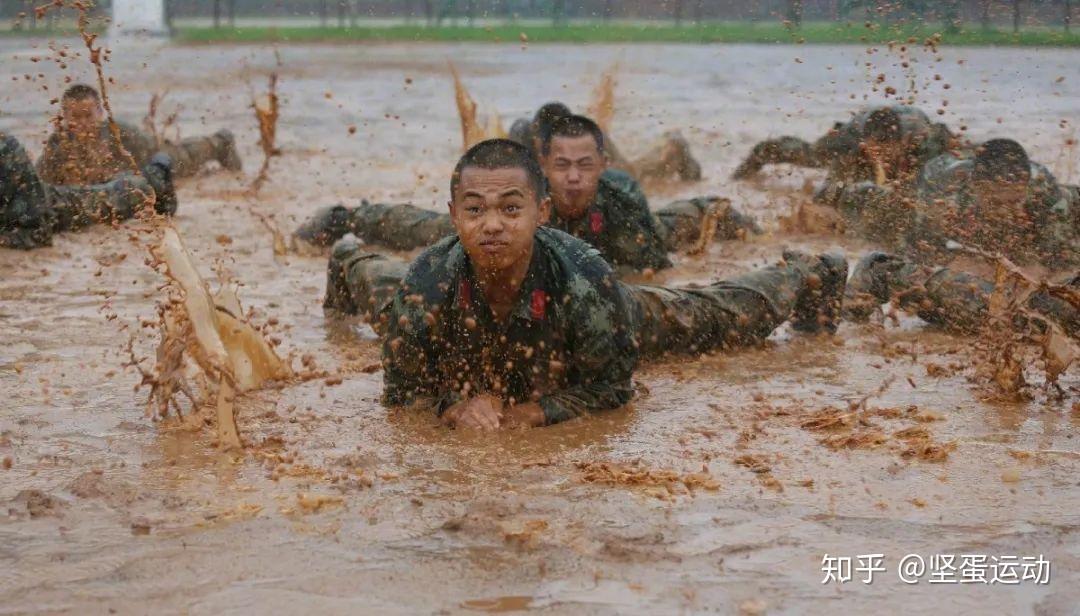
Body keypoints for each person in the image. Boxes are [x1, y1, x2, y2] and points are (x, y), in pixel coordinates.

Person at [339, 140, 845, 431]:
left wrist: (538, 411)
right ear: (454, 217)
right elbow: (400, 395)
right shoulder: (427, 282)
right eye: (475, 210)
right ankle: (347, 254)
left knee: (712, 317)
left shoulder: (586, 278)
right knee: (383, 301)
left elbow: (613, 388)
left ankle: (809, 271)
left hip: (608, 313)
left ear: (541, 212)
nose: (492, 224)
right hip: (447, 305)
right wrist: (453, 406)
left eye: (511, 209)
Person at [294, 115, 759, 274]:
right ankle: (343, 216)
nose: (573, 178)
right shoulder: (509, 210)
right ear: (543, 172)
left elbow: (657, 264)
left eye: (584, 167)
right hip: (513, 232)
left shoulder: (622, 200)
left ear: (602, 167)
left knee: (688, 219)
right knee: (420, 228)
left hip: (610, 233)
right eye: (561, 167)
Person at [843, 139, 1079, 336]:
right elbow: (919, 257)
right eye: (997, 203)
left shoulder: (1045, 194)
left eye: (1014, 202)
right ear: (976, 188)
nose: (1008, 212)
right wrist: (969, 267)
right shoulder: (941, 200)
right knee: (872, 213)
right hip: (933, 185)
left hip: (1042, 207)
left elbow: (1054, 263)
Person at [733, 106, 957, 202]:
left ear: (904, 143)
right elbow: (828, 192)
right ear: (865, 144)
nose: (881, 158)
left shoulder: (928, 142)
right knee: (812, 156)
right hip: (853, 132)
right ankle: (743, 171)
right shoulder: (847, 144)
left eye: (887, 152)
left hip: (909, 132)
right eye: (875, 151)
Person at [36, 84, 241, 186]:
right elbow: (38, 180)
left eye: (88, 116)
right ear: (63, 116)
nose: (82, 123)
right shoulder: (58, 144)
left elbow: (153, 158)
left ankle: (220, 142)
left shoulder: (120, 133)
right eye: (75, 117)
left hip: (145, 153)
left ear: (100, 113)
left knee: (181, 160)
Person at [1, 131, 176, 250]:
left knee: (112, 200)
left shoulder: (6, 148)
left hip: (56, 208)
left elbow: (39, 233)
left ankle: (157, 172)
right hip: (38, 200)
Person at [508, 101, 702, 183]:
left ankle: (676, 146)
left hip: (608, 156)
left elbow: (623, 176)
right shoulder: (520, 137)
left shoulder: (588, 136)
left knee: (630, 175)